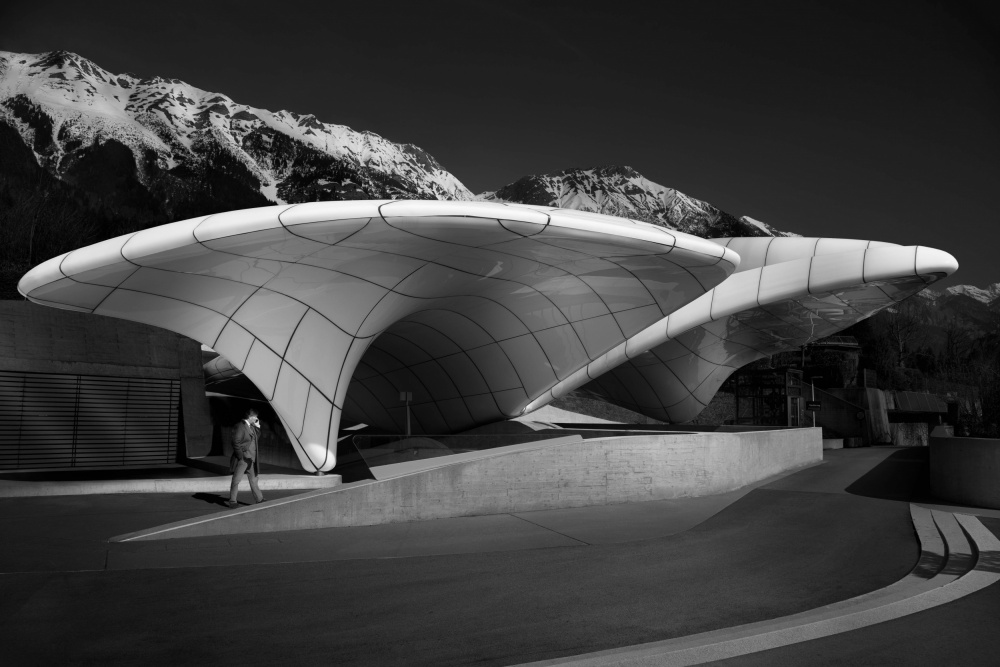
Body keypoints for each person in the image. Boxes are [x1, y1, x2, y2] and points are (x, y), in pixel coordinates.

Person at [227, 408, 265, 508]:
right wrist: (240, 456)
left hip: (251, 459)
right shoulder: (241, 426)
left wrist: (258, 427)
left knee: (253, 479)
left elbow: (256, 438)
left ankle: (259, 499)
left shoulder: (252, 426)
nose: (257, 418)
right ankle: (232, 501)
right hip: (244, 458)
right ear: (250, 417)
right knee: (236, 480)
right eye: (255, 417)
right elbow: (236, 442)